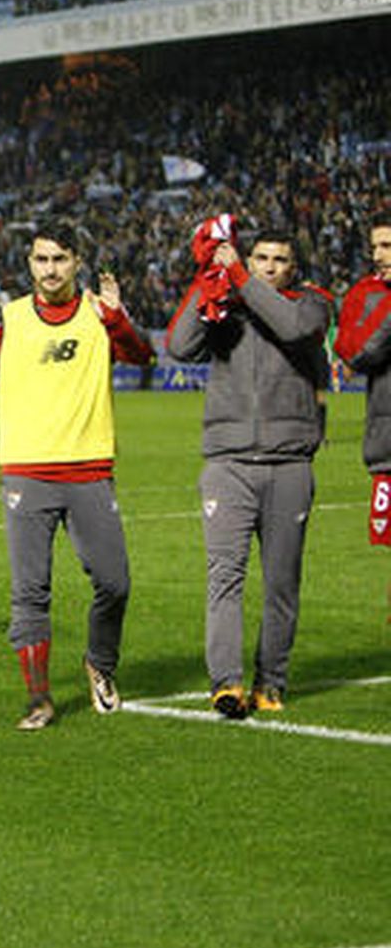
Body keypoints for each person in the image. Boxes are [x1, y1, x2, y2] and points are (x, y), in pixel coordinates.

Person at [0, 221, 153, 730]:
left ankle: (100, 663)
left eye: (60, 259)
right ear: (29, 264)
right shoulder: (10, 318)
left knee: (115, 583)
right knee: (30, 593)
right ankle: (38, 698)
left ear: (77, 261)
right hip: (27, 473)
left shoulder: (99, 315)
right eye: (42, 259)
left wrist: (118, 317)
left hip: (89, 470)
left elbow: (141, 356)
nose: (51, 269)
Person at [165, 219, 331, 718]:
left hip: (289, 463)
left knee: (282, 582)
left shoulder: (312, 303)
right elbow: (179, 346)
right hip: (228, 463)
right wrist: (206, 280)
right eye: (261, 259)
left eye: (280, 260)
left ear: (294, 267)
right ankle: (227, 684)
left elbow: (293, 329)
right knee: (225, 576)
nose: (269, 267)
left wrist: (239, 277)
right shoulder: (225, 305)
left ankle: (271, 681)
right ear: (250, 259)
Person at [332, 209, 391, 627]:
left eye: (387, 246)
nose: (378, 255)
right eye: (375, 247)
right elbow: (354, 351)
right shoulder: (367, 293)